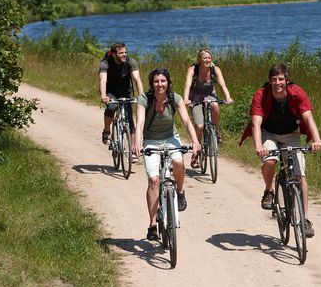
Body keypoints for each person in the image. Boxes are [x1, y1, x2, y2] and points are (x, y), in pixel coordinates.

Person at [239, 63, 321, 238]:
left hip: (291, 134)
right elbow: (256, 122)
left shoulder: (297, 93)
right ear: (269, 81)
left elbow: (308, 116)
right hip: (268, 133)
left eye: (281, 79)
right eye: (274, 79)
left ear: (287, 80)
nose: (278, 82)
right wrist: (258, 146)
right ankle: (269, 190)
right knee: (269, 161)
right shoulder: (261, 95)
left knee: (300, 177)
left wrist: (317, 139)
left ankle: (305, 219)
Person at [133, 68, 201, 241]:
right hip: (150, 141)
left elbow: (186, 120)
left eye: (163, 81)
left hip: (171, 138)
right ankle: (152, 225)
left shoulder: (174, 98)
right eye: (156, 81)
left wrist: (195, 141)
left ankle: (180, 191)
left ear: (168, 83)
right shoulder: (144, 99)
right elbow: (139, 123)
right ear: (151, 84)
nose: (159, 84)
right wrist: (138, 143)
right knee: (154, 180)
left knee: (178, 161)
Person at [183, 48, 233, 169]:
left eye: (209, 58)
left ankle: (215, 130)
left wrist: (228, 97)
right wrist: (186, 99)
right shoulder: (193, 69)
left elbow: (222, 84)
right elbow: (187, 84)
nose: (207, 60)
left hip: (210, 94)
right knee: (199, 126)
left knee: (215, 105)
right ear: (199, 59)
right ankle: (196, 152)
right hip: (195, 97)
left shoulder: (214, 68)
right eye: (205, 58)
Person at [99, 42, 144, 145]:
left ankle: (133, 149)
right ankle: (106, 130)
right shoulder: (105, 63)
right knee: (111, 108)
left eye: (125, 52)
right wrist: (103, 96)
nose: (124, 55)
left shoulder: (130, 61)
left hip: (125, 91)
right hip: (110, 92)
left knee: (129, 120)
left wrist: (141, 96)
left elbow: (137, 79)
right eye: (121, 53)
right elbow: (102, 80)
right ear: (114, 54)